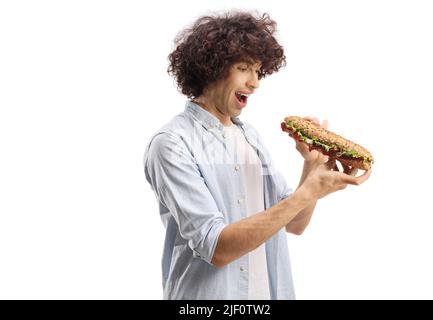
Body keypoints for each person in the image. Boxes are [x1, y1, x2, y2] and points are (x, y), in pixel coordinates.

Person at [143, 11, 371, 300]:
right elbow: (216, 247)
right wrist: (307, 192)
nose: (255, 82)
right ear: (211, 67)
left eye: (258, 71)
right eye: (244, 68)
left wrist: (312, 168)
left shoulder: (249, 137)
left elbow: (294, 223)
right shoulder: (172, 144)